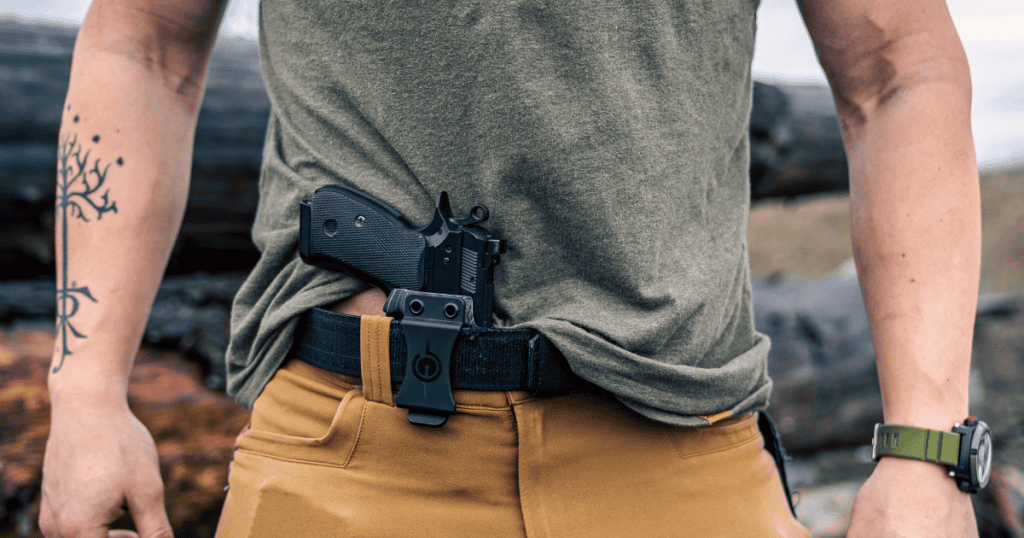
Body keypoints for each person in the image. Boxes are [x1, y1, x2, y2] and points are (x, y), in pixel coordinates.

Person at [40, 0, 982, 536]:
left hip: (678, 448)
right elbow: (144, 45)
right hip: (350, 452)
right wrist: (85, 392)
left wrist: (929, 450)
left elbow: (899, 74)